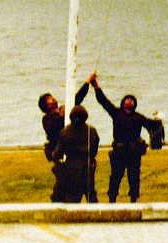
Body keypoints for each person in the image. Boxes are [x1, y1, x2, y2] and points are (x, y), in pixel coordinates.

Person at [90, 75, 161, 203]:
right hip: (119, 151)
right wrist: (96, 87)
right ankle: (112, 200)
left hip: (134, 152)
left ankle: (133, 200)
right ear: (123, 102)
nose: (129, 101)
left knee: (134, 178)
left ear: (134, 104)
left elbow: (151, 125)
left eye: (131, 100)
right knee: (115, 177)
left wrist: (158, 120)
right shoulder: (116, 113)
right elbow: (103, 101)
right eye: (127, 99)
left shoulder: (138, 117)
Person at [39, 72, 95, 202]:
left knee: (80, 184)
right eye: (50, 99)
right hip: (60, 155)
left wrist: (87, 83)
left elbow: (77, 99)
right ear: (46, 106)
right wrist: (62, 116)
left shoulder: (65, 110)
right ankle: (59, 205)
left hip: (71, 153)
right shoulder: (47, 119)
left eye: (52, 98)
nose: (53, 100)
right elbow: (55, 131)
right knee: (63, 184)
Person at [51, 105, 100, 203]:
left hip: (71, 167)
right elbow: (94, 149)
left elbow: (58, 153)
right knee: (91, 194)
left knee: (73, 195)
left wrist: (57, 159)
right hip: (88, 166)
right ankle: (96, 215)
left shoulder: (65, 132)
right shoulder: (91, 131)